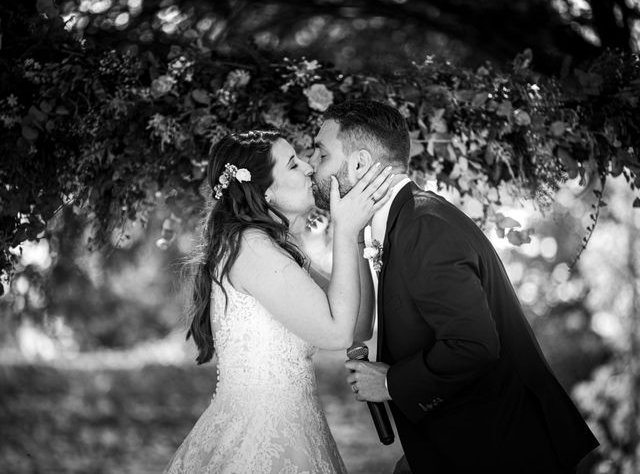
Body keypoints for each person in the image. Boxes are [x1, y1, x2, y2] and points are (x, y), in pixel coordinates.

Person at [309, 99, 600, 474]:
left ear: (360, 163)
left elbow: (474, 345)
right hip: (466, 443)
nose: (312, 167)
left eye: (321, 155)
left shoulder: (424, 227)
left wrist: (392, 383)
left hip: (507, 452)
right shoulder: (403, 222)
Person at [163, 130, 393, 474]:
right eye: (293, 163)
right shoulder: (252, 249)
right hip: (262, 438)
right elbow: (337, 335)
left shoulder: (275, 248)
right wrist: (343, 231)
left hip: (297, 426)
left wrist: (357, 235)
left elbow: (358, 325)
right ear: (266, 190)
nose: (309, 167)